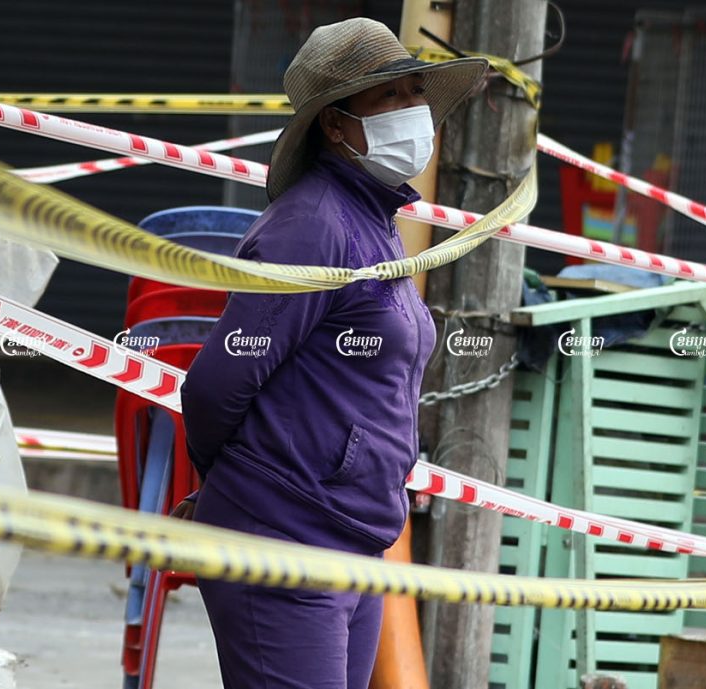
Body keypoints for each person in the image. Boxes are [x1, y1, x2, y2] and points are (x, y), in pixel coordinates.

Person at [177, 17, 486, 689]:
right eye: (388, 97)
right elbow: (214, 384)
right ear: (336, 126)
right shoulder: (311, 226)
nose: (412, 111)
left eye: (414, 92)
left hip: (354, 539)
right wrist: (241, 490)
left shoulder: (376, 223)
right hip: (284, 542)